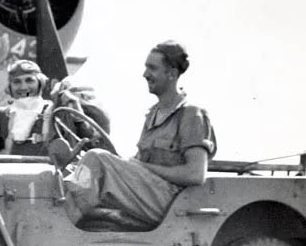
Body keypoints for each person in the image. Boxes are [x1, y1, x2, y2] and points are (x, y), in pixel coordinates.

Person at [63, 40, 217, 229]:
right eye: (146, 68)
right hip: (148, 194)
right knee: (72, 169)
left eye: (152, 68)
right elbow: (139, 164)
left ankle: (64, 226)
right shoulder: (153, 114)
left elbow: (195, 174)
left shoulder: (191, 114)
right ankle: (75, 220)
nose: (145, 74)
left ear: (172, 73)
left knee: (97, 158)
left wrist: (143, 167)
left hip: (170, 203)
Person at [0, 32, 110, 157]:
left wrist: (76, 112)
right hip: (19, 187)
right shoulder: (4, 117)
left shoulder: (59, 112)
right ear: (10, 89)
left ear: (40, 84)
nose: (23, 86)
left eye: (29, 80)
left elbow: (91, 143)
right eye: (17, 82)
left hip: (56, 186)